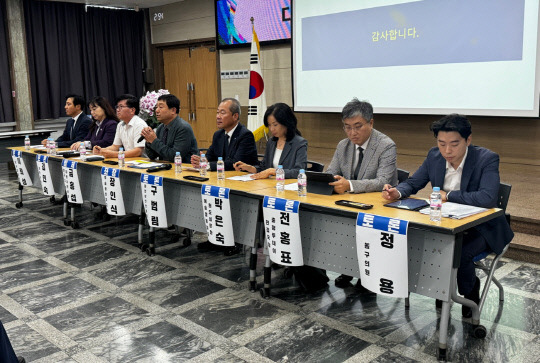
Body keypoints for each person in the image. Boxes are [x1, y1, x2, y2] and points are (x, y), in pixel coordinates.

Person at [382, 114, 514, 317]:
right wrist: (397, 192)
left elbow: (488, 197)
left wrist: (449, 196)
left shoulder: (486, 158)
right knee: (425, 242)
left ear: (468, 140)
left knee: (460, 253)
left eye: (454, 144)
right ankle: (441, 291)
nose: (447, 151)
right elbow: (414, 182)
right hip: (446, 223)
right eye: (441, 144)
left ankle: (469, 296)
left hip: (483, 227)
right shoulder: (435, 156)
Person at [327, 98, 398, 290]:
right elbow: (330, 173)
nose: (352, 133)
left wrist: (349, 184)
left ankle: (365, 274)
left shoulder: (386, 145)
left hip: (378, 209)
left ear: (371, 122)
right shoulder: (344, 145)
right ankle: (347, 266)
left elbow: (383, 181)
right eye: (347, 127)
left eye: (358, 126)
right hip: (349, 205)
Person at [234, 102, 307, 179]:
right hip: (270, 186)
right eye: (269, 125)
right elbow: (264, 167)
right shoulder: (271, 142)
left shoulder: (299, 143)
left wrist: (274, 171)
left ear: (286, 123)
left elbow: (299, 171)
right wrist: (250, 168)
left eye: (275, 125)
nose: (271, 129)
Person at [191, 98, 258, 170]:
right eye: (217, 112)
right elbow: (210, 156)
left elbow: (235, 163)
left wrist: (208, 165)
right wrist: (203, 160)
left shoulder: (245, 135)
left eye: (222, 113)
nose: (218, 117)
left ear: (235, 116)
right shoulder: (218, 135)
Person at [141, 94, 198, 162]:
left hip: (183, 169)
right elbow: (152, 156)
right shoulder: (160, 128)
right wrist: (149, 141)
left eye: (161, 107)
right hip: (165, 168)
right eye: (156, 107)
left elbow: (174, 156)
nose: (157, 110)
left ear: (173, 110)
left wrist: (154, 141)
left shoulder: (183, 128)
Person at [93, 94, 146, 159]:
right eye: (117, 107)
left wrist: (114, 154)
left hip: (142, 162)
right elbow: (115, 146)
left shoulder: (139, 124)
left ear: (132, 110)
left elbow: (138, 151)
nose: (117, 110)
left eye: (121, 107)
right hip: (129, 160)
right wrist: (102, 150)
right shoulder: (120, 125)